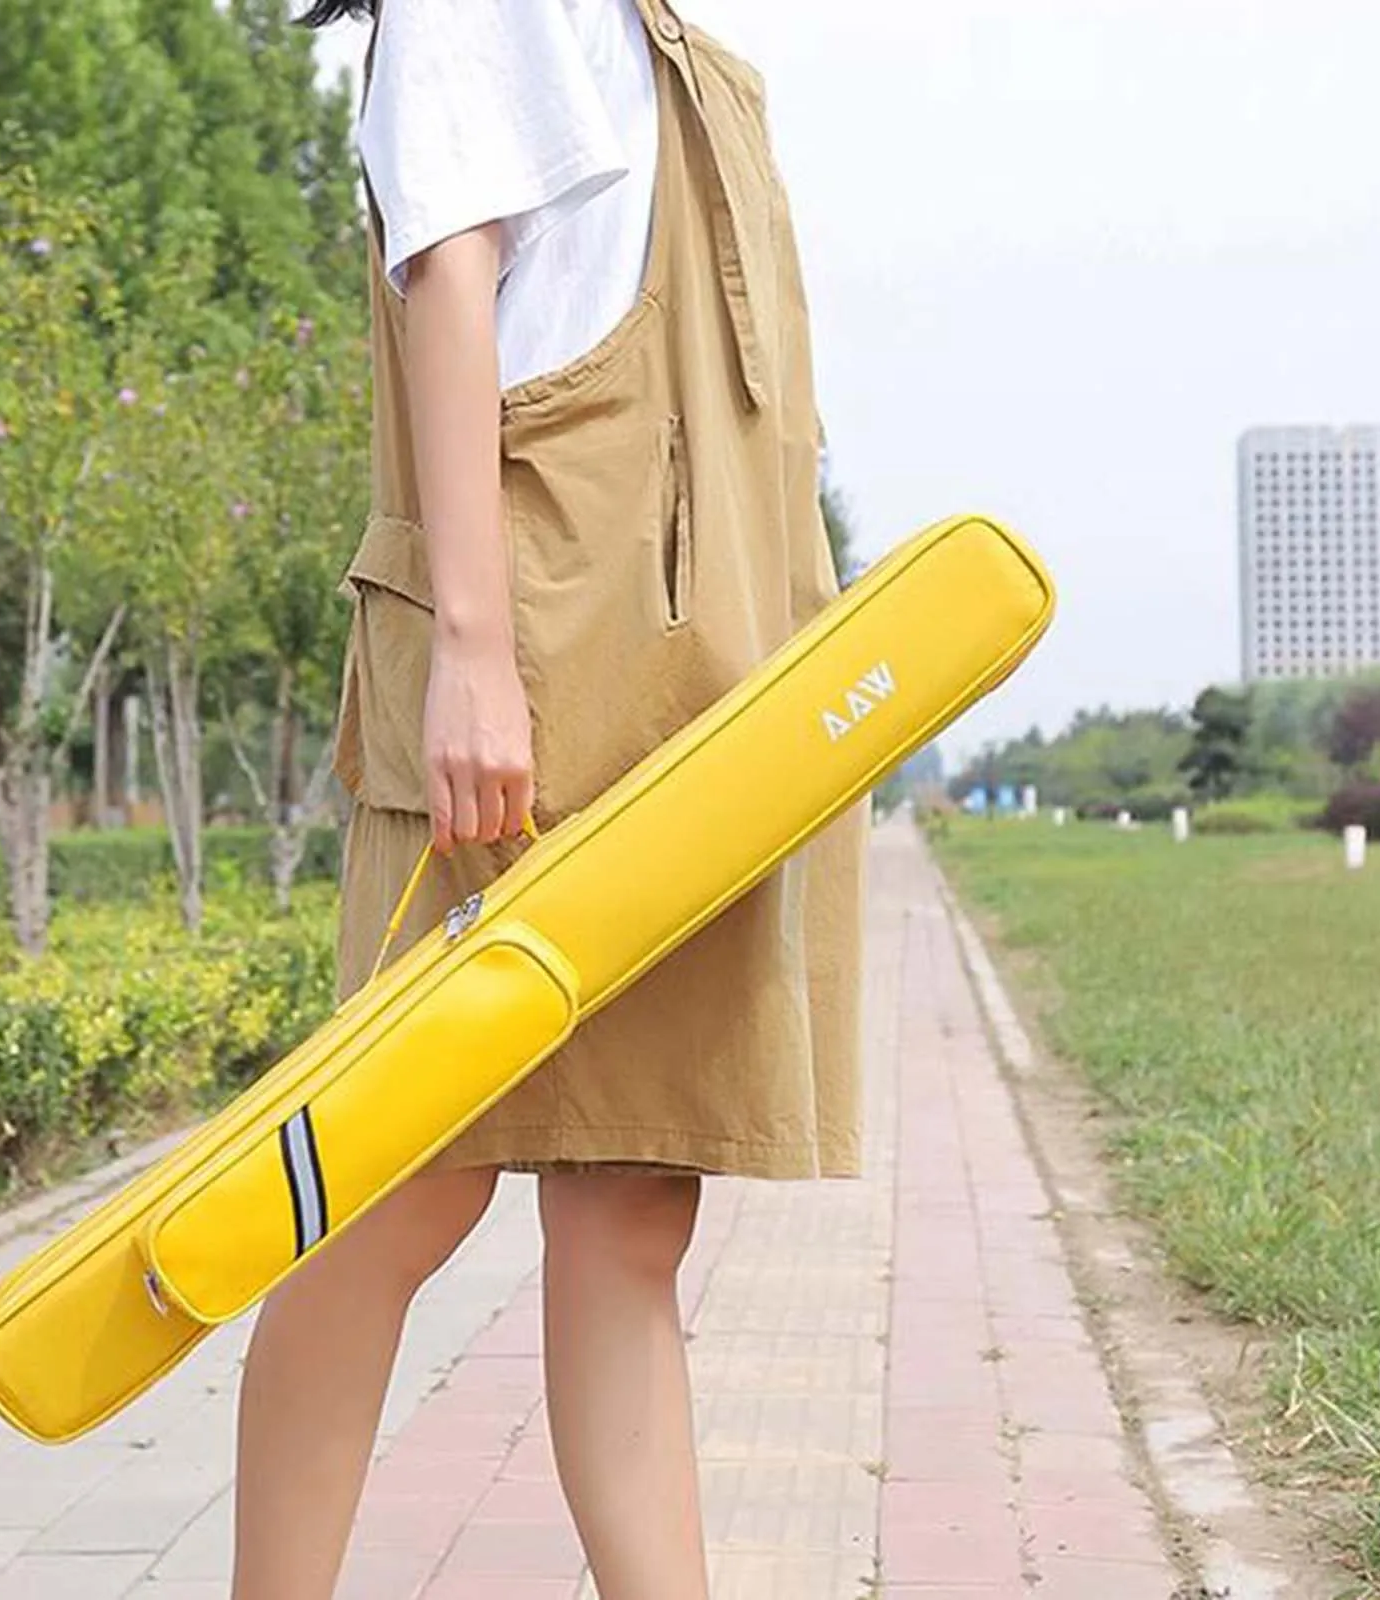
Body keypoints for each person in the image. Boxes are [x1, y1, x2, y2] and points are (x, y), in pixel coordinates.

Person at [232, 1, 869, 1596]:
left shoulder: (648, 32)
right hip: (529, 667)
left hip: (672, 691)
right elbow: (452, 275)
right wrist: (470, 652)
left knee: (634, 1204)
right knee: (395, 1183)